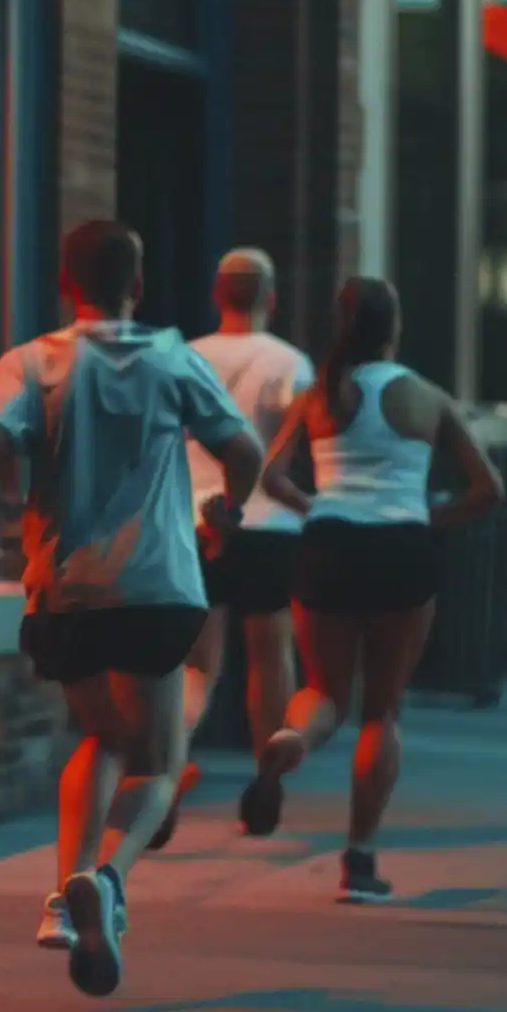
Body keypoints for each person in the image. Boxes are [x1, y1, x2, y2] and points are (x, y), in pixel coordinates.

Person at [0, 221, 262, 996]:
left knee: (97, 735)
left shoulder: (32, 360)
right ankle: (107, 877)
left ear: (68, 285)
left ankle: (65, 897)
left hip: (66, 587)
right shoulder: (172, 358)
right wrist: (228, 509)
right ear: (137, 285)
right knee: (157, 761)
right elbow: (243, 450)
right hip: (158, 582)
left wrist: (3, 505)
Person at [254, 276, 503, 903]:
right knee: (381, 710)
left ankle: (291, 740)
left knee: (322, 692)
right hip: (402, 548)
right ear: (395, 325)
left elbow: (270, 476)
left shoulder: (320, 395)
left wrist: (319, 505)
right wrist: (428, 517)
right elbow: (487, 490)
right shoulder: (427, 397)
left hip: (329, 542)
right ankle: (359, 861)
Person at [152, 248, 315, 849]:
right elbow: (299, 447)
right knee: (271, 654)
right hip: (268, 526)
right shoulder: (289, 363)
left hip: (194, 522)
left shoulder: (183, 356)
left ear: (217, 296)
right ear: (270, 298)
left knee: (195, 663)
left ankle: (168, 769)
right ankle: (267, 766)